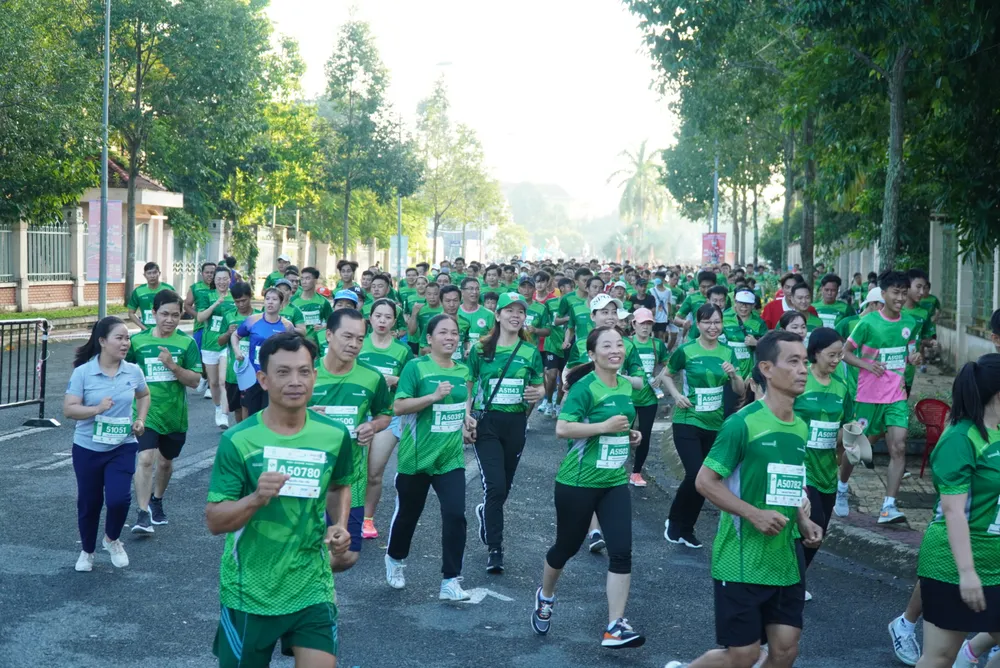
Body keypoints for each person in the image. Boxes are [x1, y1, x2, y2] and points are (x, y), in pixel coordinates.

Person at [664, 331, 823, 668]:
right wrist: (754, 515)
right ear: (766, 368)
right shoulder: (741, 424)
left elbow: (787, 484)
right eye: (793, 362)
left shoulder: (800, 427)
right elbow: (705, 482)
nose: (803, 370)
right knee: (744, 655)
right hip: (741, 558)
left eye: (805, 362)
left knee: (785, 650)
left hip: (785, 555)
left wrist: (803, 519)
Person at [205, 332, 353, 668]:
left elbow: (338, 486)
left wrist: (340, 526)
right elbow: (214, 520)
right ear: (264, 379)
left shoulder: (333, 435)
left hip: (311, 582)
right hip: (250, 589)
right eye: (283, 372)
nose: (295, 381)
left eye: (304, 371)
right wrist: (256, 498)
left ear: (315, 375)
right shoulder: (238, 440)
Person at [530, 326, 645, 649]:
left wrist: (629, 435)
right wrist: (603, 427)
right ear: (592, 354)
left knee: (621, 552)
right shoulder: (584, 388)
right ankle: (546, 595)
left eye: (620, 344)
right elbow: (562, 429)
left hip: (613, 483)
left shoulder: (625, 385)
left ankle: (615, 626)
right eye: (607, 345)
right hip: (577, 483)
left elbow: (620, 423)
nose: (615, 350)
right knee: (565, 549)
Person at [911, 354, 1000, 668]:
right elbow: (953, 511)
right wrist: (967, 573)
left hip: (996, 561)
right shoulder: (960, 439)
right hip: (955, 564)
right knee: (940, 657)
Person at [385, 314, 474, 601]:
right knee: (409, 515)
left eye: (455, 333)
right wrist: (432, 397)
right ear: (429, 338)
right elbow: (398, 407)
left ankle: (450, 580)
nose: (450, 337)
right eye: (444, 333)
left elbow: (461, 405)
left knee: (455, 514)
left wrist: (467, 421)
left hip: (450, 458)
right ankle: (395, 560)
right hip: (416, 456)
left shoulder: (462, 370)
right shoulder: (416, 367)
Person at [308, 308, 392, 572]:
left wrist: (372, 425)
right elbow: (273, 415)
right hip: (307, 478)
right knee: (305, 549)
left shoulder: (371, 377)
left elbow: (385, 414)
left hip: (349, 481)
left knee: (348, 555)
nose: (354, 345)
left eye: (359, 338)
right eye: (347, 337)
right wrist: (303, 414)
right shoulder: (306, 373)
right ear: (329, 335)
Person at [65, 317, 151, 571]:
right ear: (102, 341)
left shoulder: (133, 371)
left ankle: (112, 539)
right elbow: (69, 409)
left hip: (122, 445)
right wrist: (96, 409)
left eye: (127, 338)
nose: (125, 343)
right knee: (90, 503)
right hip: (87, 448)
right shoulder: (83, 373)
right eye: (120, 338)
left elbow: (144, 395)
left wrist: (140, 419)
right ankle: (87, 551)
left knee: (119, 500)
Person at [469, 293, 545, 573]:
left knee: (503, 488)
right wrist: (467, 415)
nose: (516, 315)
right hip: (486, 422)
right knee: (496, 486)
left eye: (520, 312)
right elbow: (468, 382)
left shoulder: (529, 351)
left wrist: (540, 392)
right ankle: (495, 549)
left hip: (515, 424)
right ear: (498, 315)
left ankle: (486, 513)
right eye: (509, 310)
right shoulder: (480, 349)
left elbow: (540, 386)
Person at [663, 303, 745, 549]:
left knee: (705, 479)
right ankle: (675, 521)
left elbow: (740, 391)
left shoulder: (728, 352)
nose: (713, 327)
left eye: (717, 322)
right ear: (698, 324)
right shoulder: (686, 351)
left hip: (715, 424)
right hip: (687, 419)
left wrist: (734, 376)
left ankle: (687, 530)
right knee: (695, 474)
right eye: (707, 322)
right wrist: (677, 395)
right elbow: (666, 374)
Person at [843, 270, 920, 523]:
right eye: (895, 293)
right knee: (857, 449)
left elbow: (910, 353)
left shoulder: (910, 323)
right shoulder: (867, 323)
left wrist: (915, 358)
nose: (900, 297)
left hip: (896, 396)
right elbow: (845, 353)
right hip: (868, 396)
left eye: (903, 292)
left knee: (899, 447)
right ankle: (841, 488)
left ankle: (888, 506)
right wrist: (866, 365)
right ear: (883, 294)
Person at [127, 290, 203, 534]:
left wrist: (172, 366)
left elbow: (194, 381)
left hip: (174, 415)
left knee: (166, 463)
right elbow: (123, 371)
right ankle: (142, 514)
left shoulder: (186, 343)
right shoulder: (138, 342)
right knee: (146, 458)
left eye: (175, 315)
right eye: (164, 314)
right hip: (145, 411)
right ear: (153, 314)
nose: (169, 320)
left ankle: (156, 500)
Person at [792, 328, 852, 595]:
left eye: (840, 355)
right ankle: (792, 582)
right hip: (802, 465)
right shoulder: (800, 381)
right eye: (831, 354)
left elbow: (846, 423)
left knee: (820, 532)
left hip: (828, 467)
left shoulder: (841, 386)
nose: (837, 360)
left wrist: (851, 438)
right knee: (810, 524)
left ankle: (795, 576)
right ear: (815, 354)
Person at [359, 299, 414, 539]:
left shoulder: (402, 350)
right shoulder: (358, 344)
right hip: (357, 414)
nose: (382, 321)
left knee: (373, 472)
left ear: (394, 321)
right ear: (369, 318)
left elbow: (413, 382)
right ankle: (345, 514)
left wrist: (397, 380)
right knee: (352, 470)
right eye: (378, 315)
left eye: (388, 317)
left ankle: (367, 519)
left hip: (388, 415)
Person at [231, 288, 295, 416]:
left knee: (270, 414)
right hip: (253, 376)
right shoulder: (252, 320)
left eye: (274, 299)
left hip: (274, 378)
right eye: (267, 299)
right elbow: (235, 335)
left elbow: (292, 350)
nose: (270, 302)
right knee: (251, 413)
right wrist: (237, 352)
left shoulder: (287, 326)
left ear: (281, 305)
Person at [629, 308, 669, 487]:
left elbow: (670, 365)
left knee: (644, 436)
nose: (645, 327)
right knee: (621, 434)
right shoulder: (627, 343)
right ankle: (615, 470)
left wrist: (660, 377)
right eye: (642, 323)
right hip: (628, 397)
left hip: (649, 398)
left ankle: (636, 473)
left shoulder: (658, 345)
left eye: (649, 323)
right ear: (634, 324)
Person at [197, 266, 235, 429]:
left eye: (225, 278)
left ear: (230, 279)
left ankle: (224, 415)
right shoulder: (207, 296)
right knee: (213, 382)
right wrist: (216, 304)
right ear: (214, 280)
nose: (221, 282)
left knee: (222, 381)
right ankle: (218, 407)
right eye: (218, 278)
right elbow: (200, 317)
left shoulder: (235, 297)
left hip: (227, 344)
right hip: (210, 343)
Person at [218, 282, 258, 425]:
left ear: (250, 297)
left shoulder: (259, 317)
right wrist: (228, 333)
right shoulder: (229, 316)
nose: (241, 304)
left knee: (250, 407)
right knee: (237, 409)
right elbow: (220, 341)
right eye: (237, 301)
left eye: (244, 300)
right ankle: (240, 433)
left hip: (254, 371)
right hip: (234, 372)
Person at [540, 277, 575, 417]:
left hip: (569, 346)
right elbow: (547, 322)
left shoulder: (576, 305)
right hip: (552, 345)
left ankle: (558, 404)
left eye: (573, 287)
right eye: (569, 287)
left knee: (565, 379)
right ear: (561, 288)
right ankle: (548, 401)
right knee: (552, 375)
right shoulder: (550, 303)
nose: (572, 290)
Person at [184, 261, 217, 396]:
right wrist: (198, 315)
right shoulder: (195, 288)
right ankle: (204, 376)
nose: (210, 275)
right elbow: (186, 305)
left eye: (212, 273)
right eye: (207, 272)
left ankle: (210, 386)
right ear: (202, 273)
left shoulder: (220, 288)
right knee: (201, 356)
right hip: (200, 327)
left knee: (213, 356)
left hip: (215, 328)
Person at [723, 290, 767, 382]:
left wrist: (756, 343)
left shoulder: (759, 323)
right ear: (735, 302)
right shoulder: (725, 319)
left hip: (750, 372)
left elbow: (769, 346)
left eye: (748, 304)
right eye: (741, 303)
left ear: (753, 305)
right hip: (729, 369)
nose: (744, 307)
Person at [293, 267, 334, 357]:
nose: (304, 282)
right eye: (302, 278)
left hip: (316, 345)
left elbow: (332, 321)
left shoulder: (323, 302)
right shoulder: (293, 301)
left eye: (307, 278)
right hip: (298, 344)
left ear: (315, 281)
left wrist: (324, 326)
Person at [127, 262, 175, 331]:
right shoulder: (138, 291)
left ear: (159, 273)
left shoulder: (169, 289)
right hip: (146, 332)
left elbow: (179, 311)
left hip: (166, 332)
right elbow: (131, 313)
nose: (152, 276)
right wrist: (144, 328)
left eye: (155, 272)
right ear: (144, 275)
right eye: (149, 273)